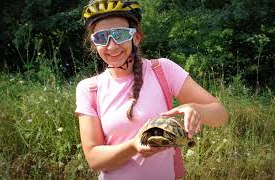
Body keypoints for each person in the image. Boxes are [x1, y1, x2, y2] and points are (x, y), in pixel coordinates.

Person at [75, 0, 229, 179]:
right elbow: (94, 160)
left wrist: (197, 110)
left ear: (137, 37)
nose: (112, 45)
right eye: (101, 37)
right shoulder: (89, 88)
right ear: (94, 44)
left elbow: (221, 115)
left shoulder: (163, 70)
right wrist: (134, 146)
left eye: (120, 34)